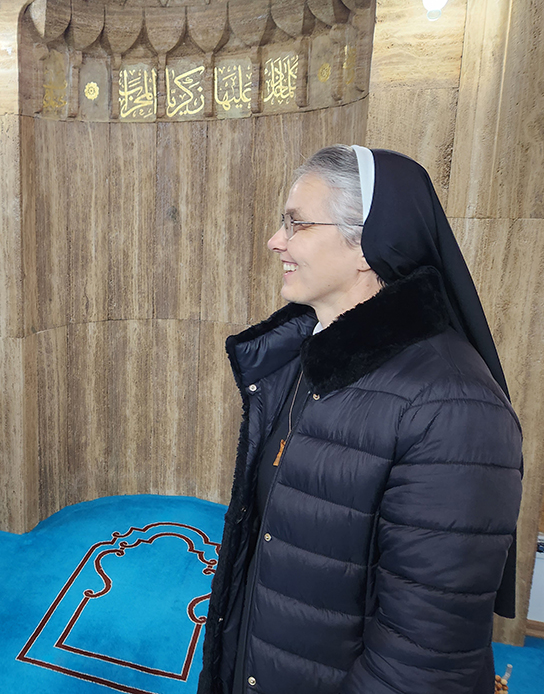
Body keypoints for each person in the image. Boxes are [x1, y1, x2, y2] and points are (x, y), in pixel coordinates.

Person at [197, 145, 522, 694]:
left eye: (296, 224)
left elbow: (419, 665)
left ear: (367, 245)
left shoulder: (457, 411)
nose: (277, 241)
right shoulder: (310, 358)